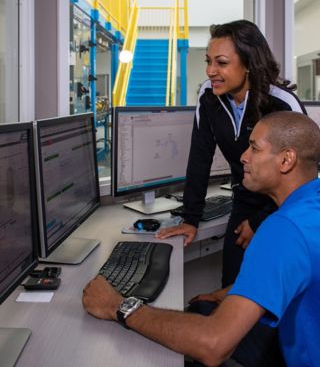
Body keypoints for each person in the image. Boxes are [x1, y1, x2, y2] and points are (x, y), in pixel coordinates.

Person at [82, 111, 320, 367]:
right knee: (204, 307)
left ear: (286, 160)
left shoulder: (282, 230)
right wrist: (230, 293)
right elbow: (297, 271)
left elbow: (213, 345)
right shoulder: (309, 206)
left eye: (254, 148)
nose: (243, 157)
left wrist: (118, 306)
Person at [156, 19, 306, 289]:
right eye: (208, 61)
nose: (211, 71)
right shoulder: (208, 95)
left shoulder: (282, 103)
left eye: (221, 63)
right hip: (245, 199)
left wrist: (261, 222)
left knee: (275, 290)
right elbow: (200, 157)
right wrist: (191, 218)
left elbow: (306, 177)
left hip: (285, 206)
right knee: (232, 286)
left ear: (248, 63)